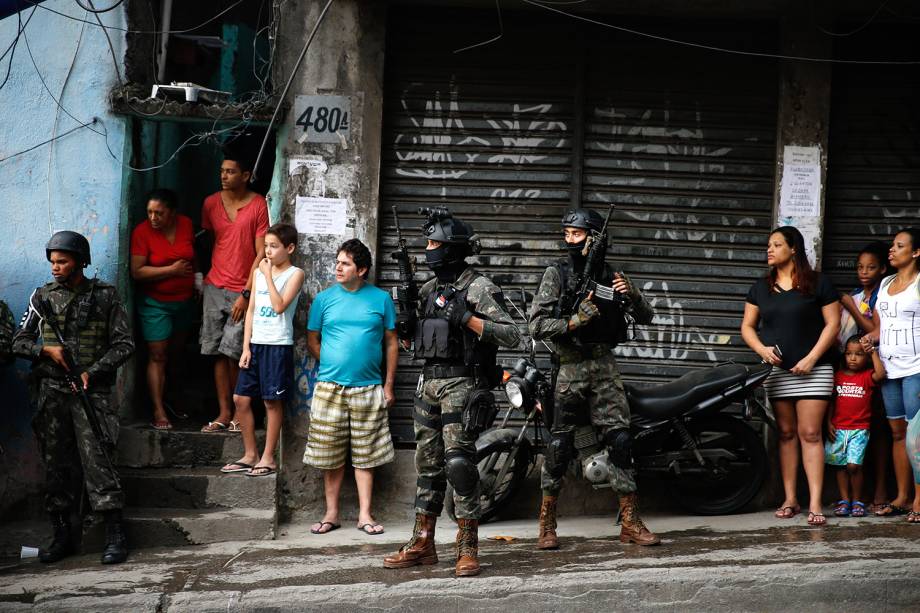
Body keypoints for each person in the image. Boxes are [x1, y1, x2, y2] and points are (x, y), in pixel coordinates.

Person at [383, 208, 520, 577]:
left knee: (459, 465)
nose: (428, 250)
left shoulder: (479, 287)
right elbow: (418, 343)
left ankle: (467, 545)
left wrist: (469, 318)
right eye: (427, 243)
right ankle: (423, 541)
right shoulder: (427, 290)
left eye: (434, 244)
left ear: (452, 249)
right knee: (427, 466)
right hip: (428, 384)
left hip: (463, 384)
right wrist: (408, 324)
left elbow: (513, 333)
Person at [528, 208, 659, 550]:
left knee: (620, 442)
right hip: (569, 369)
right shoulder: (556, 274)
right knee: (559, 447)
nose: (569, 239)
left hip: (604, 367)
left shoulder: (614, 275)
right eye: (567, 233)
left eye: (577, 233)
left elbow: (647, 317)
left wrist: (632, 294)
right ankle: (547, 523)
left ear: (596, 237)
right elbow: (537, 325)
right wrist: (573, 322)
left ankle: (630, 521)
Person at [12, 231, 134, 564]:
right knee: (56, 466)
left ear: (81, 262)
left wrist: (91, 373)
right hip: (52, 394)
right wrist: (44, 351)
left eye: (63, 261)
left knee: (99, 463)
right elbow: (17, 342)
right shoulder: (42, 298)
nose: (56, 267)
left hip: (90, 394)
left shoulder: (105, 296)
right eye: (52, 262)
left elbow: (125, 344)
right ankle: (62, 535)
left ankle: (114, 535)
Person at [741, 226, 840, 526]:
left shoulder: (818, 283)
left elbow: (833, 324)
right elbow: (747, 326)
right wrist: (762, 349)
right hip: (779, 372)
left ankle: (815, 503)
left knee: (810, 434)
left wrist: (811, 358)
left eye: (776, 244)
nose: (769, 250)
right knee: (785, 434)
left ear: (793, 248)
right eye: (768, 245)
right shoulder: (761, 287)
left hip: (815, 370)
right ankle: (790, 499)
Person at [303, 239, 398, 536]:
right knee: (329, 455)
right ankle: (331, 513)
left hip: (369, 388)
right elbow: (312, 339)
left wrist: (389, 384)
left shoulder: (381, 299)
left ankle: (365, 515)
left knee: (366, 455)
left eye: (345, 263)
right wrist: (332, 361)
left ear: (362, 269)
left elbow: (392, 342)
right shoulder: (324, 299)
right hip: (329, 388)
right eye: (338, 262)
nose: (338, 268)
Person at [220, 223, 304, 477]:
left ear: (289, 248)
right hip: (256, 344)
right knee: (240, 399)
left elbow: (279, 306)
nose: (268, 252)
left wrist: (267, 275)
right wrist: (245, 347)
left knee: (271, 401)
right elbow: (252, 311)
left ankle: (268, 457)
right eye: (266, 246)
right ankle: (250, 454)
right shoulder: (258, 272)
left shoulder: (295, 274)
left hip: (278, 345)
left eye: (274, 247)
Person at [199, 151, 270, 433]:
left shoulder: (257, 205)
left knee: (236, 353)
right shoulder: (210, 203)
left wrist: (247, 292)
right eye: (222, 171)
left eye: (230, 171)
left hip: (242, 288)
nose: (224, 176)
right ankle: (224, 413)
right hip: (214, 285)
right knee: (217, 352)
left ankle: (242, 413)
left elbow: (261, 252)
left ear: (246, 175)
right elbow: (209, 241)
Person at [860, 228, 920, 521]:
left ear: (916, 252)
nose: (891, 251)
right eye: (892, 246)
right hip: (890, 369)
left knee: (916, 437)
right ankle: (902, 496)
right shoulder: (885, 283)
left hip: (916, 368)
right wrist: (870, 341)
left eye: (899, 246)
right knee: (898, 434)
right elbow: (879, 328)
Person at [130, 189, 196, 430]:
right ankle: (158, 410)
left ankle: (174, 399)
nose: (153, 218)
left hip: (184, 301)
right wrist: (171, 271)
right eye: (150, 212)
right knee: (158, 354)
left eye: (159, 213)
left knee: (177, 353)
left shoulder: (186, 224)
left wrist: (197, 280)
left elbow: (192, 255)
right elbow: (137, 272)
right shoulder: (141, 232)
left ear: (172, 213)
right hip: (154, 303)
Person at [837, 241, 891, 514]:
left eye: (871, 267)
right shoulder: (857, 294)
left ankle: (881, 489)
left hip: (881, 368)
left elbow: (875, 331)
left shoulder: (886, 295)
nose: (864, 271)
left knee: (880, 432)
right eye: (860, 267)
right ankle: (855, 494)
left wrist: (853, 308)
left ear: (883, 268)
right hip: (854, 373)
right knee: (855, 432)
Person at [826, 335, 885, 518]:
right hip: (838, 428)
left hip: (859, 429)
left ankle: (857, 500)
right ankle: (845, 501)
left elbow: (881, 374)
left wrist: (872, 353)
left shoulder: (866, 377)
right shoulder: (838, 377)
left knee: (853, 465)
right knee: (840, 466)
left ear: (866, 357)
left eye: (859, 354)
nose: (852, 358)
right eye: (849, 353)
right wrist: (828, 422)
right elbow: (831, 402)